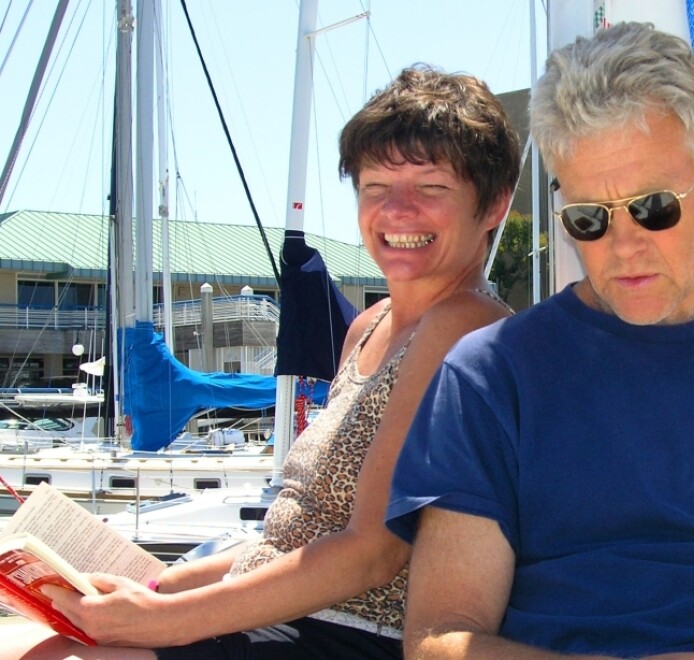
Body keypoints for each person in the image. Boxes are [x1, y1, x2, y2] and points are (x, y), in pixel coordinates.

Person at [386, 23, 694, 659]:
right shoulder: (489, 379)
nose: (624, 247)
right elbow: (436, 640)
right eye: (589, 219)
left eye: (654, 207)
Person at [7, 64, 521, 659]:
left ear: (492, 206)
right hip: (293, 612)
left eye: (431, 188)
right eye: (376, 187)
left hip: (354, 632)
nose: (397, 211)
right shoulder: (369, 326)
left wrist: (165, 621)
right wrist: (157, 586)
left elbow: (373, 551)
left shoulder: (464, 325)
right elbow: (293, 529)